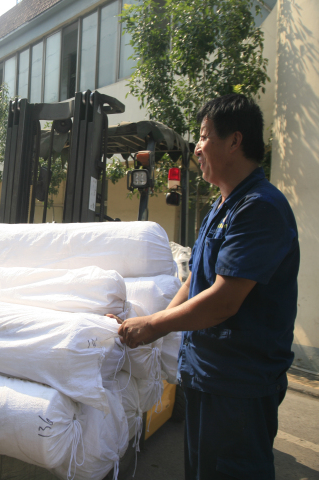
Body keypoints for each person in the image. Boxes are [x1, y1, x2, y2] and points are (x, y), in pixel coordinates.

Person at [114, 94, 299, 479]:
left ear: (234, 141)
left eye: (203, 136)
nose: (197, 147)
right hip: (206, 375)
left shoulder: (259, 208)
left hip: (238, 385)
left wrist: (153, 326)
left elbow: (223, 301)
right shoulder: (221, 207)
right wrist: (154, 323)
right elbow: (195, 282)